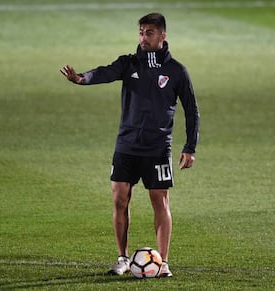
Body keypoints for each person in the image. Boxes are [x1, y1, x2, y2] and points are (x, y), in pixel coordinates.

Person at [60, 12, 200, 278]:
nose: (143, 37)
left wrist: (190, 147)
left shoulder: (176, 71)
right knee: (119, 199)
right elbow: (105, 72)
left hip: (158, 147)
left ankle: (164, 263)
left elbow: (192, 111)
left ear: (162, 36)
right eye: (140, 32)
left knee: (160, 201)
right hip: (126, 145)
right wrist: (82, 78)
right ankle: (123, 258)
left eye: (149, 33)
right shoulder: (129, 63)